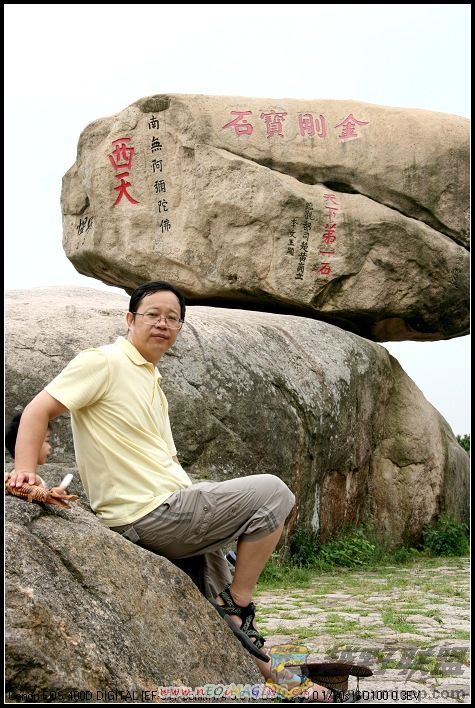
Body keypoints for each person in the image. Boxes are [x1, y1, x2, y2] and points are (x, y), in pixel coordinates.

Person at [7, 281, 337, 702]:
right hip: (150, 513)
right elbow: (38, 409)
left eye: (173, 318)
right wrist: (25, 471)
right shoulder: (103, 361)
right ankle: (239, 600)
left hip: (174, 508)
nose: (163, 324)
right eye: (153, 315)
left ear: (180, 328)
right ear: (130, 319)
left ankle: (291, 685)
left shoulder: (150, 377)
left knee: (230, 626)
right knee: (273, 493)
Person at [5, 411, 67, 496]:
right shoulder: (21, 480)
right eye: (47, 441)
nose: (50, 447)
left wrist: (54, 494)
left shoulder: (32, 478)